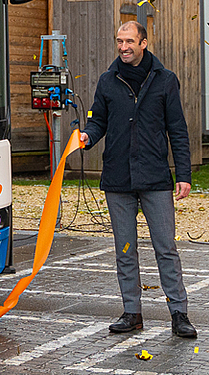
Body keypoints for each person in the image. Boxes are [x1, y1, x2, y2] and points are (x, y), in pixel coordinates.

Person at [78, 21, 197, 340]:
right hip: (118, 178)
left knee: (165, 248)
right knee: (125, 249)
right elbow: (98, 121)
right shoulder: (107, 81)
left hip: (155, 177)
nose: (123, 46)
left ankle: (179, 313)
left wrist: (183, 174)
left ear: (144, 43)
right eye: (119, 41)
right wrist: (88, 136)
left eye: (129, 40)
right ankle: (132, 312)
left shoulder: (165, 80)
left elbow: (178, 131)